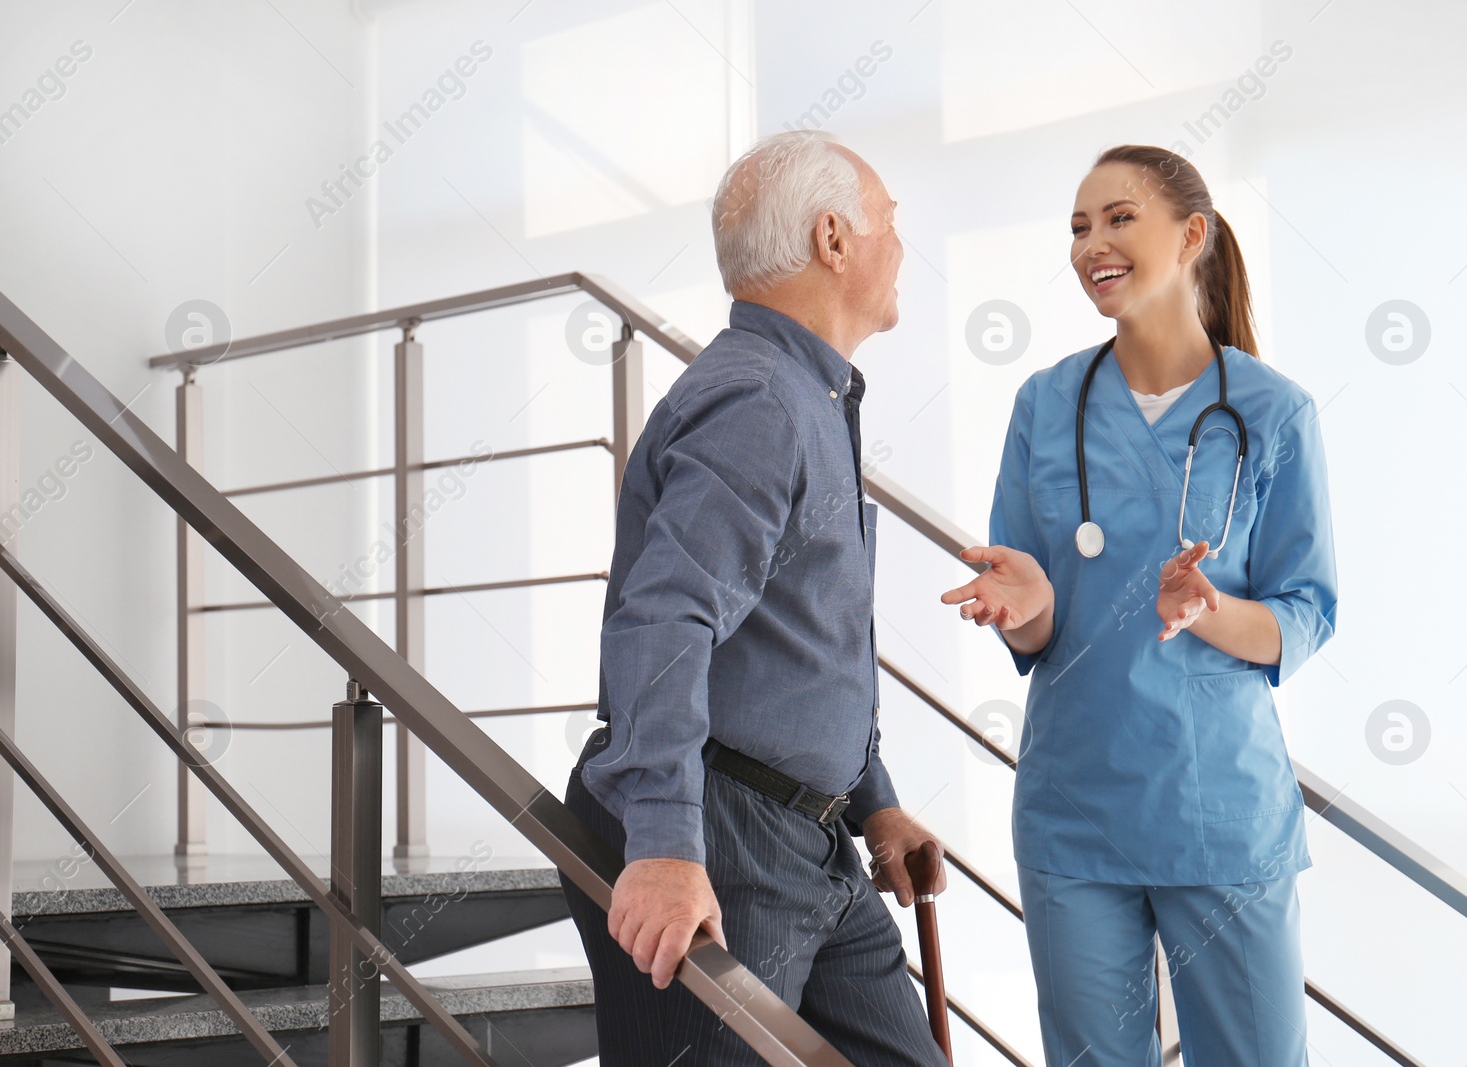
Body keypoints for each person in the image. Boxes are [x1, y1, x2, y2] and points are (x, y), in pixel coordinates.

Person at [559, 130, 949, 1067]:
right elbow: (666, 617)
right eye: (889, 221)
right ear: (834, 239)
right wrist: (660, 845)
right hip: (720, 827)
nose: (901, 243)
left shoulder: (810, 397)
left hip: (807, 836)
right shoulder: (762, 403)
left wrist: (874, 803)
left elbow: (799, 640)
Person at [942, 144, 1337, 1066]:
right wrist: (1028, 603)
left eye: (1118, 218)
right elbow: (1035, 620)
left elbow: (1307, 610)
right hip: (1074, 812)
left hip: (1220, 809)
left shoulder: (1274, 412)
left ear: (1191, 234)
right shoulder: (1046, 403)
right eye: (1079, 227)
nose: (1092, 244)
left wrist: (1211, 607)